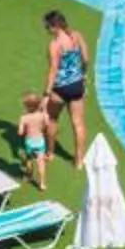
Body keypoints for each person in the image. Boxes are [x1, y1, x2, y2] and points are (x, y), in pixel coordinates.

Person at [43, 10, 91, 158]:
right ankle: (78, 160)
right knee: (78, 123)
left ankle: (50, 153)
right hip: (76, 85)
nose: (46, 30)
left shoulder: (54, 45)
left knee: (52, 120)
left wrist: (46, 93)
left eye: (47, 27)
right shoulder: (76, 36)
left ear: (55, 26)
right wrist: (82, 74)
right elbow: (86, 59)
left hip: (60, 88)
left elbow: (53, 70)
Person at [17, 91, 52, 191]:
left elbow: (20, 132)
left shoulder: (24, 118)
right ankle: (42, 183)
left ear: (26, 107)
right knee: (41, 162)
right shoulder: (43, 115)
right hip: (40, 141)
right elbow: (47, 124)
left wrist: (22, 130)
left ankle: (29, 176)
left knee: (29, 159)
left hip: (29, 142)